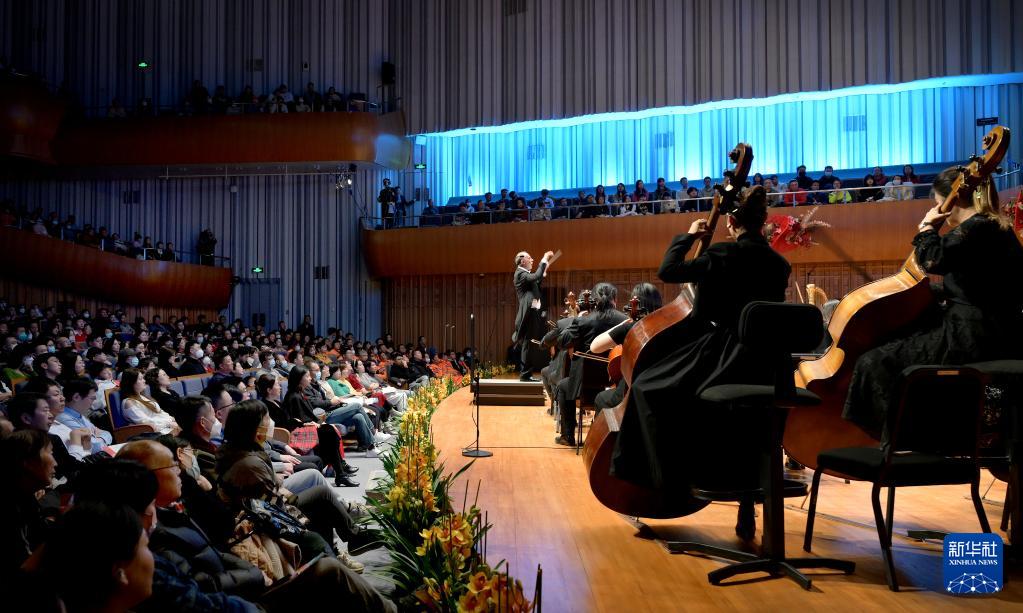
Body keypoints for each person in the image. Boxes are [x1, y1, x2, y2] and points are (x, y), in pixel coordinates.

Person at [609, 186, 791, 535]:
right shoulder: (778, 264)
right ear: (763, 222)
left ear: (731, 222)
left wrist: (689, 237)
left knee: (648, 388)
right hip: (769, 365)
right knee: (748, 419)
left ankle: (670, 485)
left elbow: (668, 271)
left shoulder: (723, 254)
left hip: (725, 354)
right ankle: (745, 504)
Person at [844, 168, 1023, 434]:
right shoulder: (998, 226)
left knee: (875, 362)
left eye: (939, 202)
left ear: (952, 200)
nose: (938, 209)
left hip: (971, 337)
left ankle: (908, 438)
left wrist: (927, 227)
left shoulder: (977, 227)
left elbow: (932, 260)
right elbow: (976, 284)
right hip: (999, 331)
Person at [553, 283, 628, 444]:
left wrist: (576, 319)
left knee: (562, 386)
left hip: (584, 385)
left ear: (594, 300)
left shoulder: (584, 321)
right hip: (614, 384)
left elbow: (562, 342)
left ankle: (567, 436)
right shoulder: (625, 321)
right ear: (615, 299)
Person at [589, 283, 663, 412]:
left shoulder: (631, 328)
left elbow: (595, 347)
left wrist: (622, 325)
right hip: (662, 389)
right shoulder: (667, 325)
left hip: (633, 393)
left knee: (601, 398)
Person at [512, 250, 556, 381]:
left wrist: (543, 271)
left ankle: (526, 374)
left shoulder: (525, 275)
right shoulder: (520, 273)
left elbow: (536, 282)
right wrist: (544, 258)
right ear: (522, 261)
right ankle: (525, 374)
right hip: (527, 314)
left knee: (530, 344)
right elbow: (536, 277)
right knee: (528, 344)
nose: (532, 260)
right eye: (529, 258)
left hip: (532, 313)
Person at [121, 368, 181, 434]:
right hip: (154, 432)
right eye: (140, 379)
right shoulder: (129, 402)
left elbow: (160, 412)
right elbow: (145, 422)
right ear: (131, 383)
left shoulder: (144, 397)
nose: (144, 381)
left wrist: (171, 419)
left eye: (143, 378)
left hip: (164, 427)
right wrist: (168, 423)